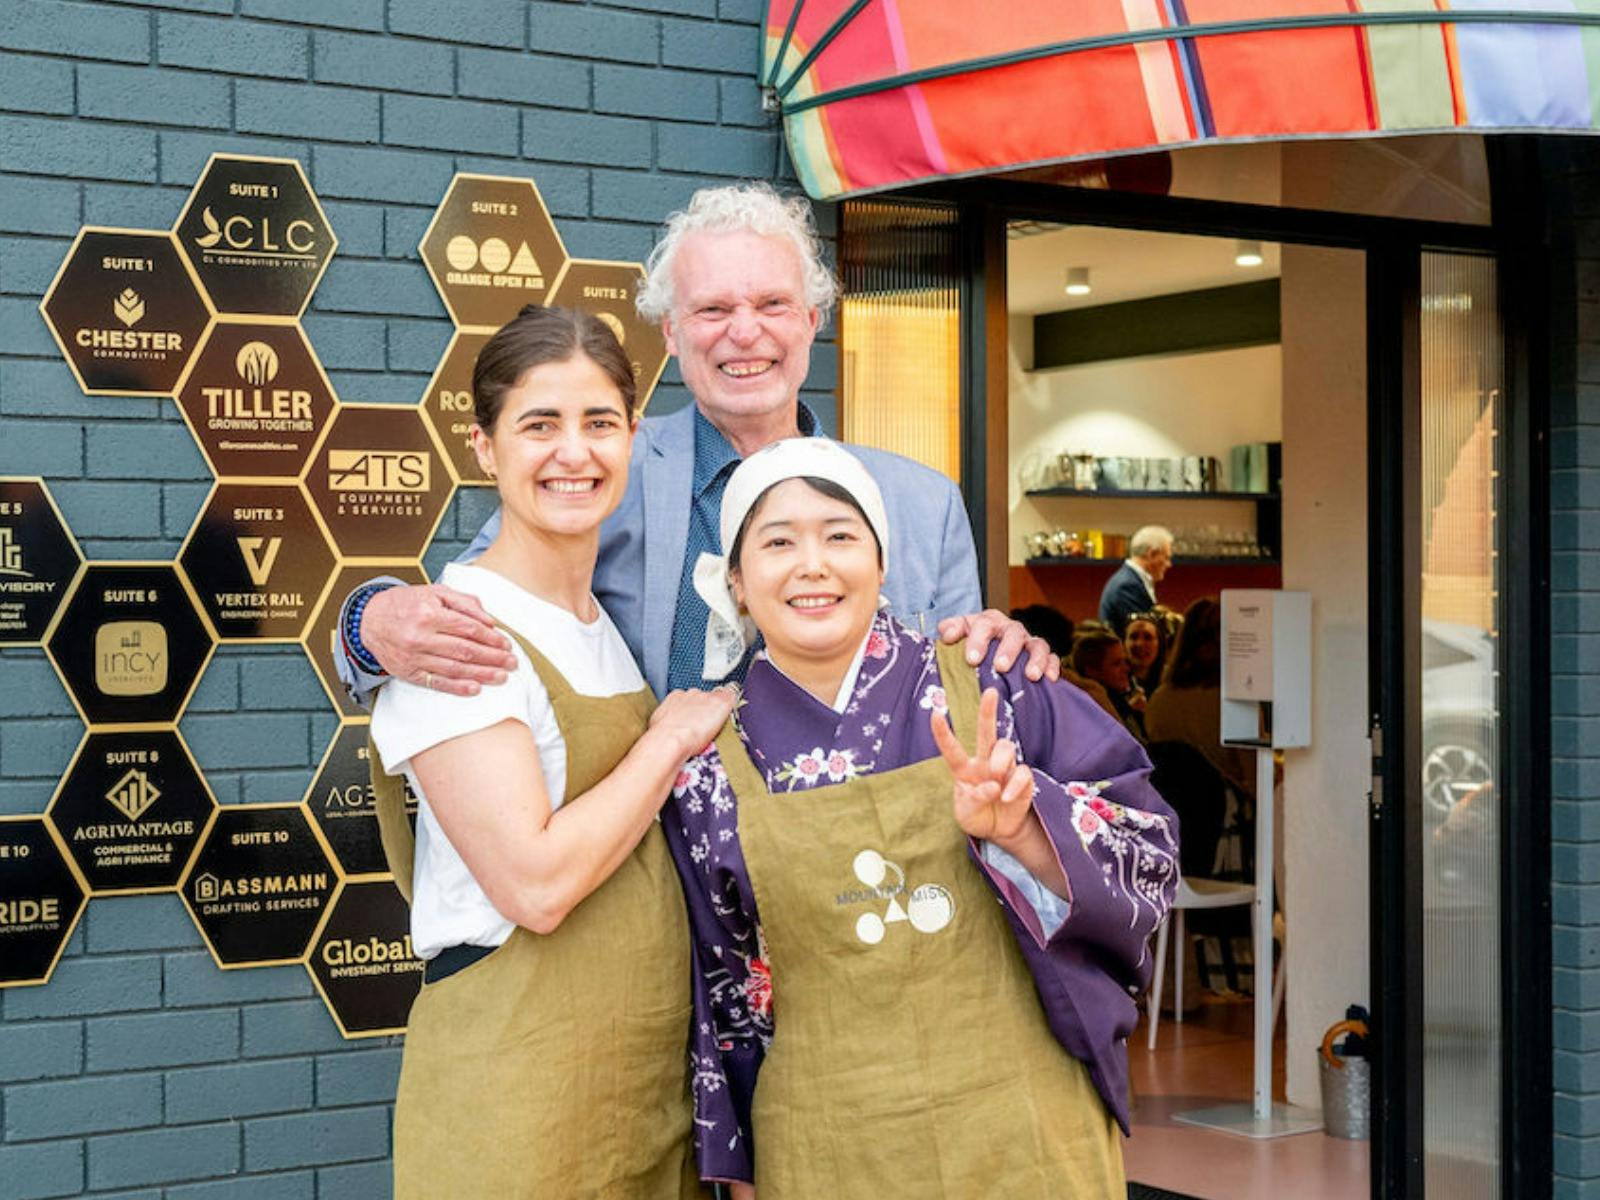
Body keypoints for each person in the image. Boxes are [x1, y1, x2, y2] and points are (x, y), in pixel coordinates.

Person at [665, 438, 1179, 1198]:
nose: (812, 564)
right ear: (736, 584)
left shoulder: (997, 683)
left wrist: (1025, 829)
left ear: (882, 563)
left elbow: (1153, 854)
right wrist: (739, 1174)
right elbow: (723, 990)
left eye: (840, 535)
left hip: (1020, 1126)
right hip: (823, 1144)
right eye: (777, 542)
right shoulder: (708, 767)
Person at [336, 182, 1055, 708]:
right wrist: (371, 621)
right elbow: (472, 598)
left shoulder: (923, 503)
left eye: (772, 305)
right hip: (661, 884)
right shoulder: (606, 474)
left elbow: (971, 698)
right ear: (673, 335)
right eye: (712, 310)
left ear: (811, 321)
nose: (745, 332)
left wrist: (1008, 659)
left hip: (864, 885)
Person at [367, 308, 734, 1198]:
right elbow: (531, 885)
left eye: (599, 422)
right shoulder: (459, 638)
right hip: (519, 1094)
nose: (575, 452)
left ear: (633, 436)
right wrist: (670, 739)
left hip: (641, 1093)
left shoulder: (600, 623)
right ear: (484, 447)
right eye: (539, 425)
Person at [1145, 596, 1256, 800]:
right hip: (1227, 817)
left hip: (1175, 817)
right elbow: (1257, 782)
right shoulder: (1237, 702)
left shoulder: (1159, 700)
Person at [1098, 525, 1173, 635]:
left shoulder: (1130, 579)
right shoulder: (1127, 586)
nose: (1169, 564)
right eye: (1166, 557)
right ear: (1151, 554)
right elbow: (1143, 632)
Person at [1072, 630, 1146, 740]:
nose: (1126, 669)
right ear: (1091, 670)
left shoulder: (1118, 702)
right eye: (1116, 664)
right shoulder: (1096, 711)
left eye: (1124, 661)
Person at [1124, 611, 1171, 700]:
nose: (1140, 644)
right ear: (1124, 643)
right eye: (1133, 637)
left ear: (1159, 644)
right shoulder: (1113, 682)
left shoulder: (1171, 681)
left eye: (1148, 637)